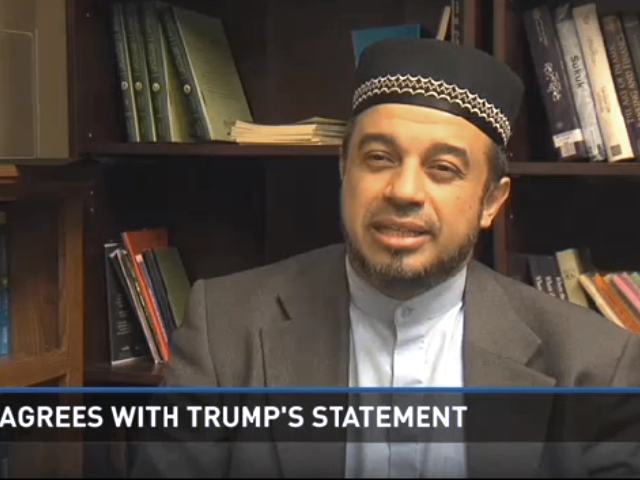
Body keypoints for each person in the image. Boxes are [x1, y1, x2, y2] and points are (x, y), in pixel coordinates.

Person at [131, 38, 640, 478]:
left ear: (491, 201)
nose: (404, 191)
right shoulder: (225, 329)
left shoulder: (595, 365)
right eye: (379, 158)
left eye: (443, 168)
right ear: (343, 169)